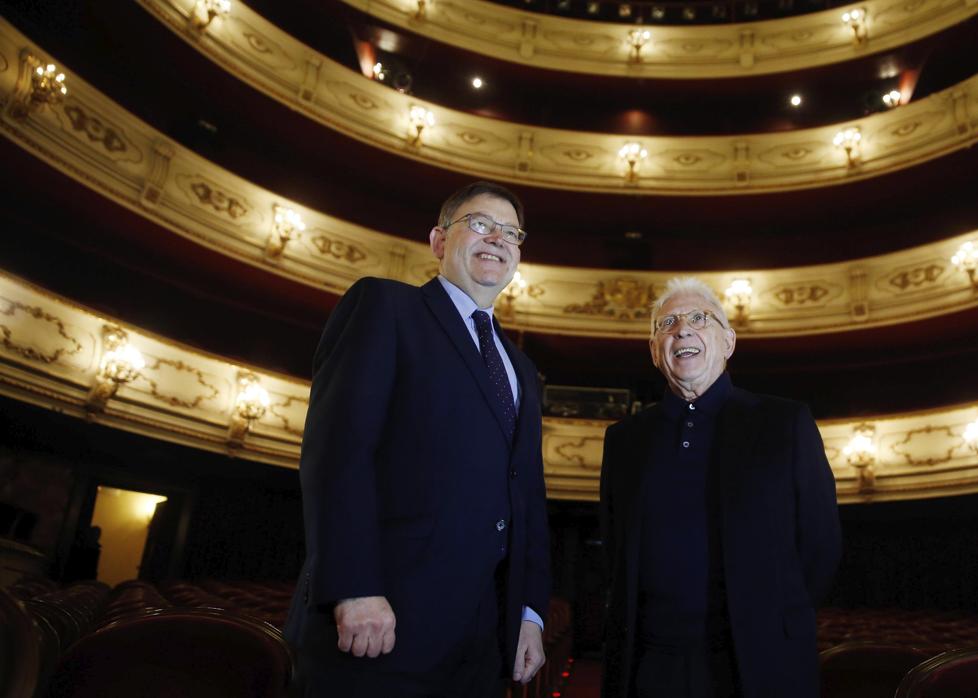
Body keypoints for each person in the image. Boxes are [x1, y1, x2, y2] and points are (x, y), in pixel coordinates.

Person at [285, 182, 550, 696]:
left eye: (511, 232)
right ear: (437, 241)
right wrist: (354, 588)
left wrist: (530, 611)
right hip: (382, 621)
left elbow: (528, 497)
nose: (497, 237)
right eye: (479, 223)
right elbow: (339, 454)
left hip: (483, 638)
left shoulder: (521, 367)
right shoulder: (385, 306)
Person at [599, 277, 843, 698]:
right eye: (667, 323)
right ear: (655, 350)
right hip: (651, 665)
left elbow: (820, 543)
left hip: (756, 661)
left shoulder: (783, 422)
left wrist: (773, 616)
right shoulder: (624, 439)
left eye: (698, 318)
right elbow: (615, 544)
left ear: (728, 342)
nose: (682, 330)